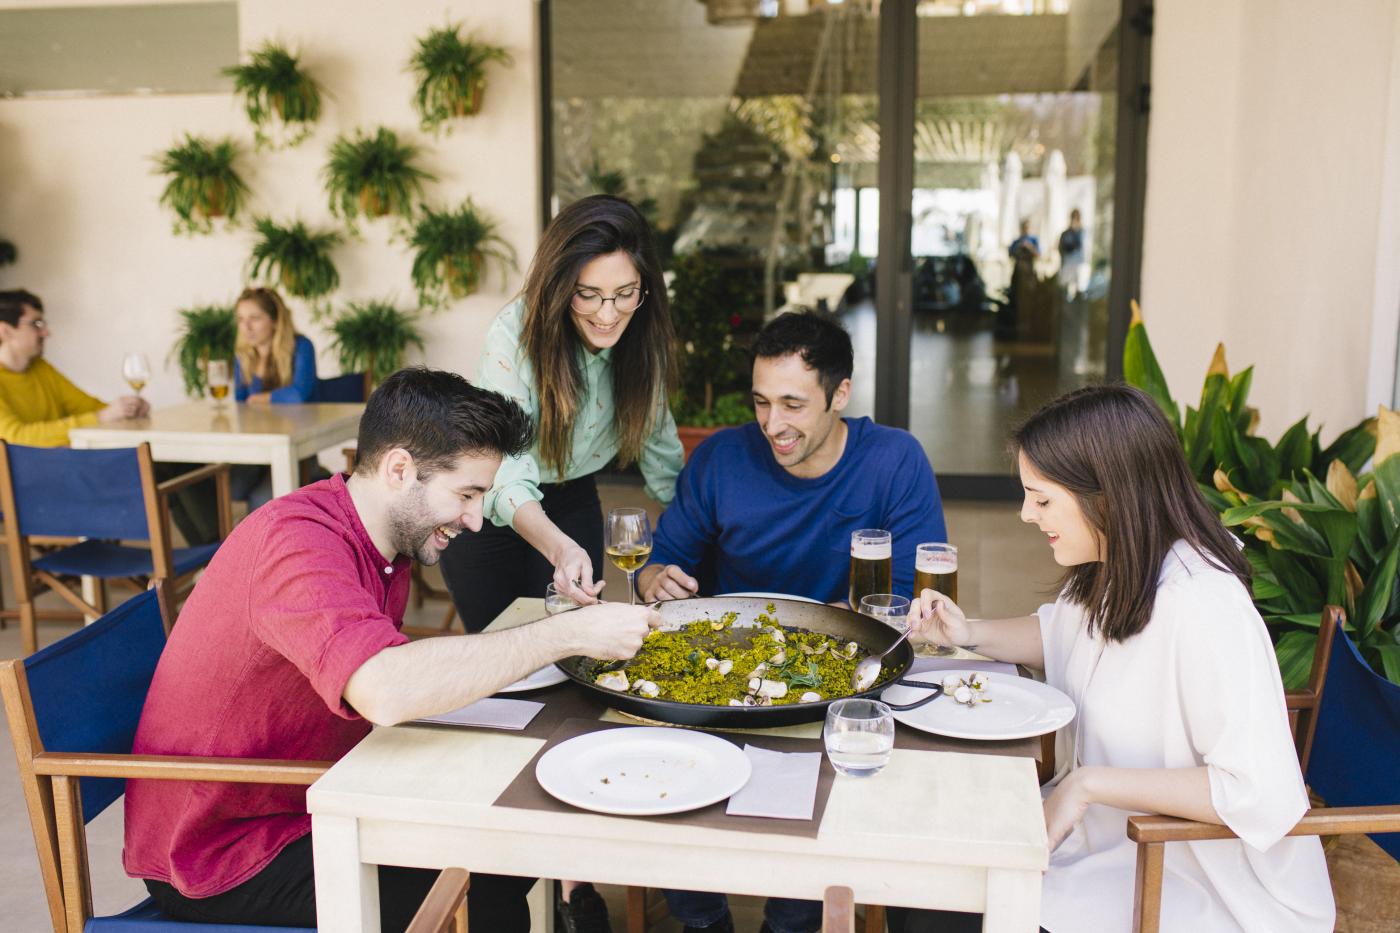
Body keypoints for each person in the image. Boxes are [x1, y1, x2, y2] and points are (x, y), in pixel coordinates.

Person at [123, 367, 660, 933]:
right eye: (468, 494)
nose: (477, 519)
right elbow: (383, 687)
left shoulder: (382, 538)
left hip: (311, 794)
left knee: (509, 850)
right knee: (489, 902)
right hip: (226, 851)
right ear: (399, 469)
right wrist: (567, 634)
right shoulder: (297, 543)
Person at [890, 384, 1334, 933]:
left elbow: (1255, 790)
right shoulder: (1122, 562)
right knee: (926, 884)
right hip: (1115, 847)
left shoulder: (1203, 605)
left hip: (1194, 884)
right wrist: (967, 631)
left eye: (1043, 498)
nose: (1026, 514)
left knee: (943, 914)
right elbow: (1060, 637)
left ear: (1107, 496)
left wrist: (1087, 785)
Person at [638, 311, 946, 933]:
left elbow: (916, 596)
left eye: (793, 404)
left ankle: (791, 922)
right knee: (666, 788)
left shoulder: (893, 460)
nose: (773, 425)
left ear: (840, 394)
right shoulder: (723, 458)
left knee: (819, 807)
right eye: (760, 402)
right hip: (723, 679)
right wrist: (653, 579)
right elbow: (661, 562)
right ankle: (703, 921)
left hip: (838, 682)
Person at [439, 194, 682, 629]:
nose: (608, 315)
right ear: (560, 285)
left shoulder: (644, 341)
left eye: (624, 294)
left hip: (571, 496)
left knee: (571, 648)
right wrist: (561, 548)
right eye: (587, 295)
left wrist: (700, 533)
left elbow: (662, 457)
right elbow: (506, 469)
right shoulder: (514, 333)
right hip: (487, 508)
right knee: (502, 662)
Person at [0, 289, 148, 445]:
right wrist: (103, 416)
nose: (46, 332)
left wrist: (128, 410)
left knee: (156, 463)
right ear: (5, 331)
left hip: (63, 463)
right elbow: (16, 437)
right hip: (38, 468)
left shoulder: (40, 368)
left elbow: (87, 407)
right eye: (36, 324)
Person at [229, 286, 320, 510]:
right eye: (241, 319)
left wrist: (260, 399)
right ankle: (219, 544)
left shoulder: (301, 347)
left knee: (262, 501)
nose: (246, 327)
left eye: (255, 318)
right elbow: (240, 404)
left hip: (295, 452)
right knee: (230, 488)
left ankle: (263, 544)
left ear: (275, 320)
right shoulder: (243, 356)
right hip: (254, 451)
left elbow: (298, 394)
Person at [1056, 209, 1085, 298]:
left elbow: (1080, 247)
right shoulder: (1066, 234)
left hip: (1078, 266)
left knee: (1078, 291)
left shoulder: (1082, 232)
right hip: (1067, 265)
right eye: (1074, 218)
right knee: (1065, 291)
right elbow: (1062, 248)